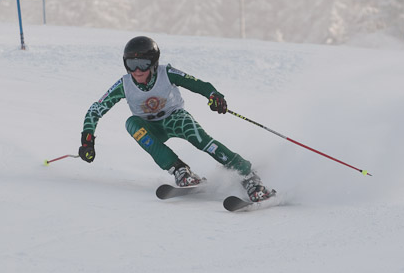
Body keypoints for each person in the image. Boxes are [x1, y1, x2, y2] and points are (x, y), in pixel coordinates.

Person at [78, 36, 275, 202]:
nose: (137, 71)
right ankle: (180, 170)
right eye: (131, 64)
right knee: (131, 123)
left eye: (143, 64)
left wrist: (214, 96)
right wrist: (87, 138)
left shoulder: (167, 73)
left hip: (175, 118)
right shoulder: (124, 84)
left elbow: (200, 85)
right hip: (149, 127)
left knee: (202, 141)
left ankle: (248, 176)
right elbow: (96, 109)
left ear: (153, 63)